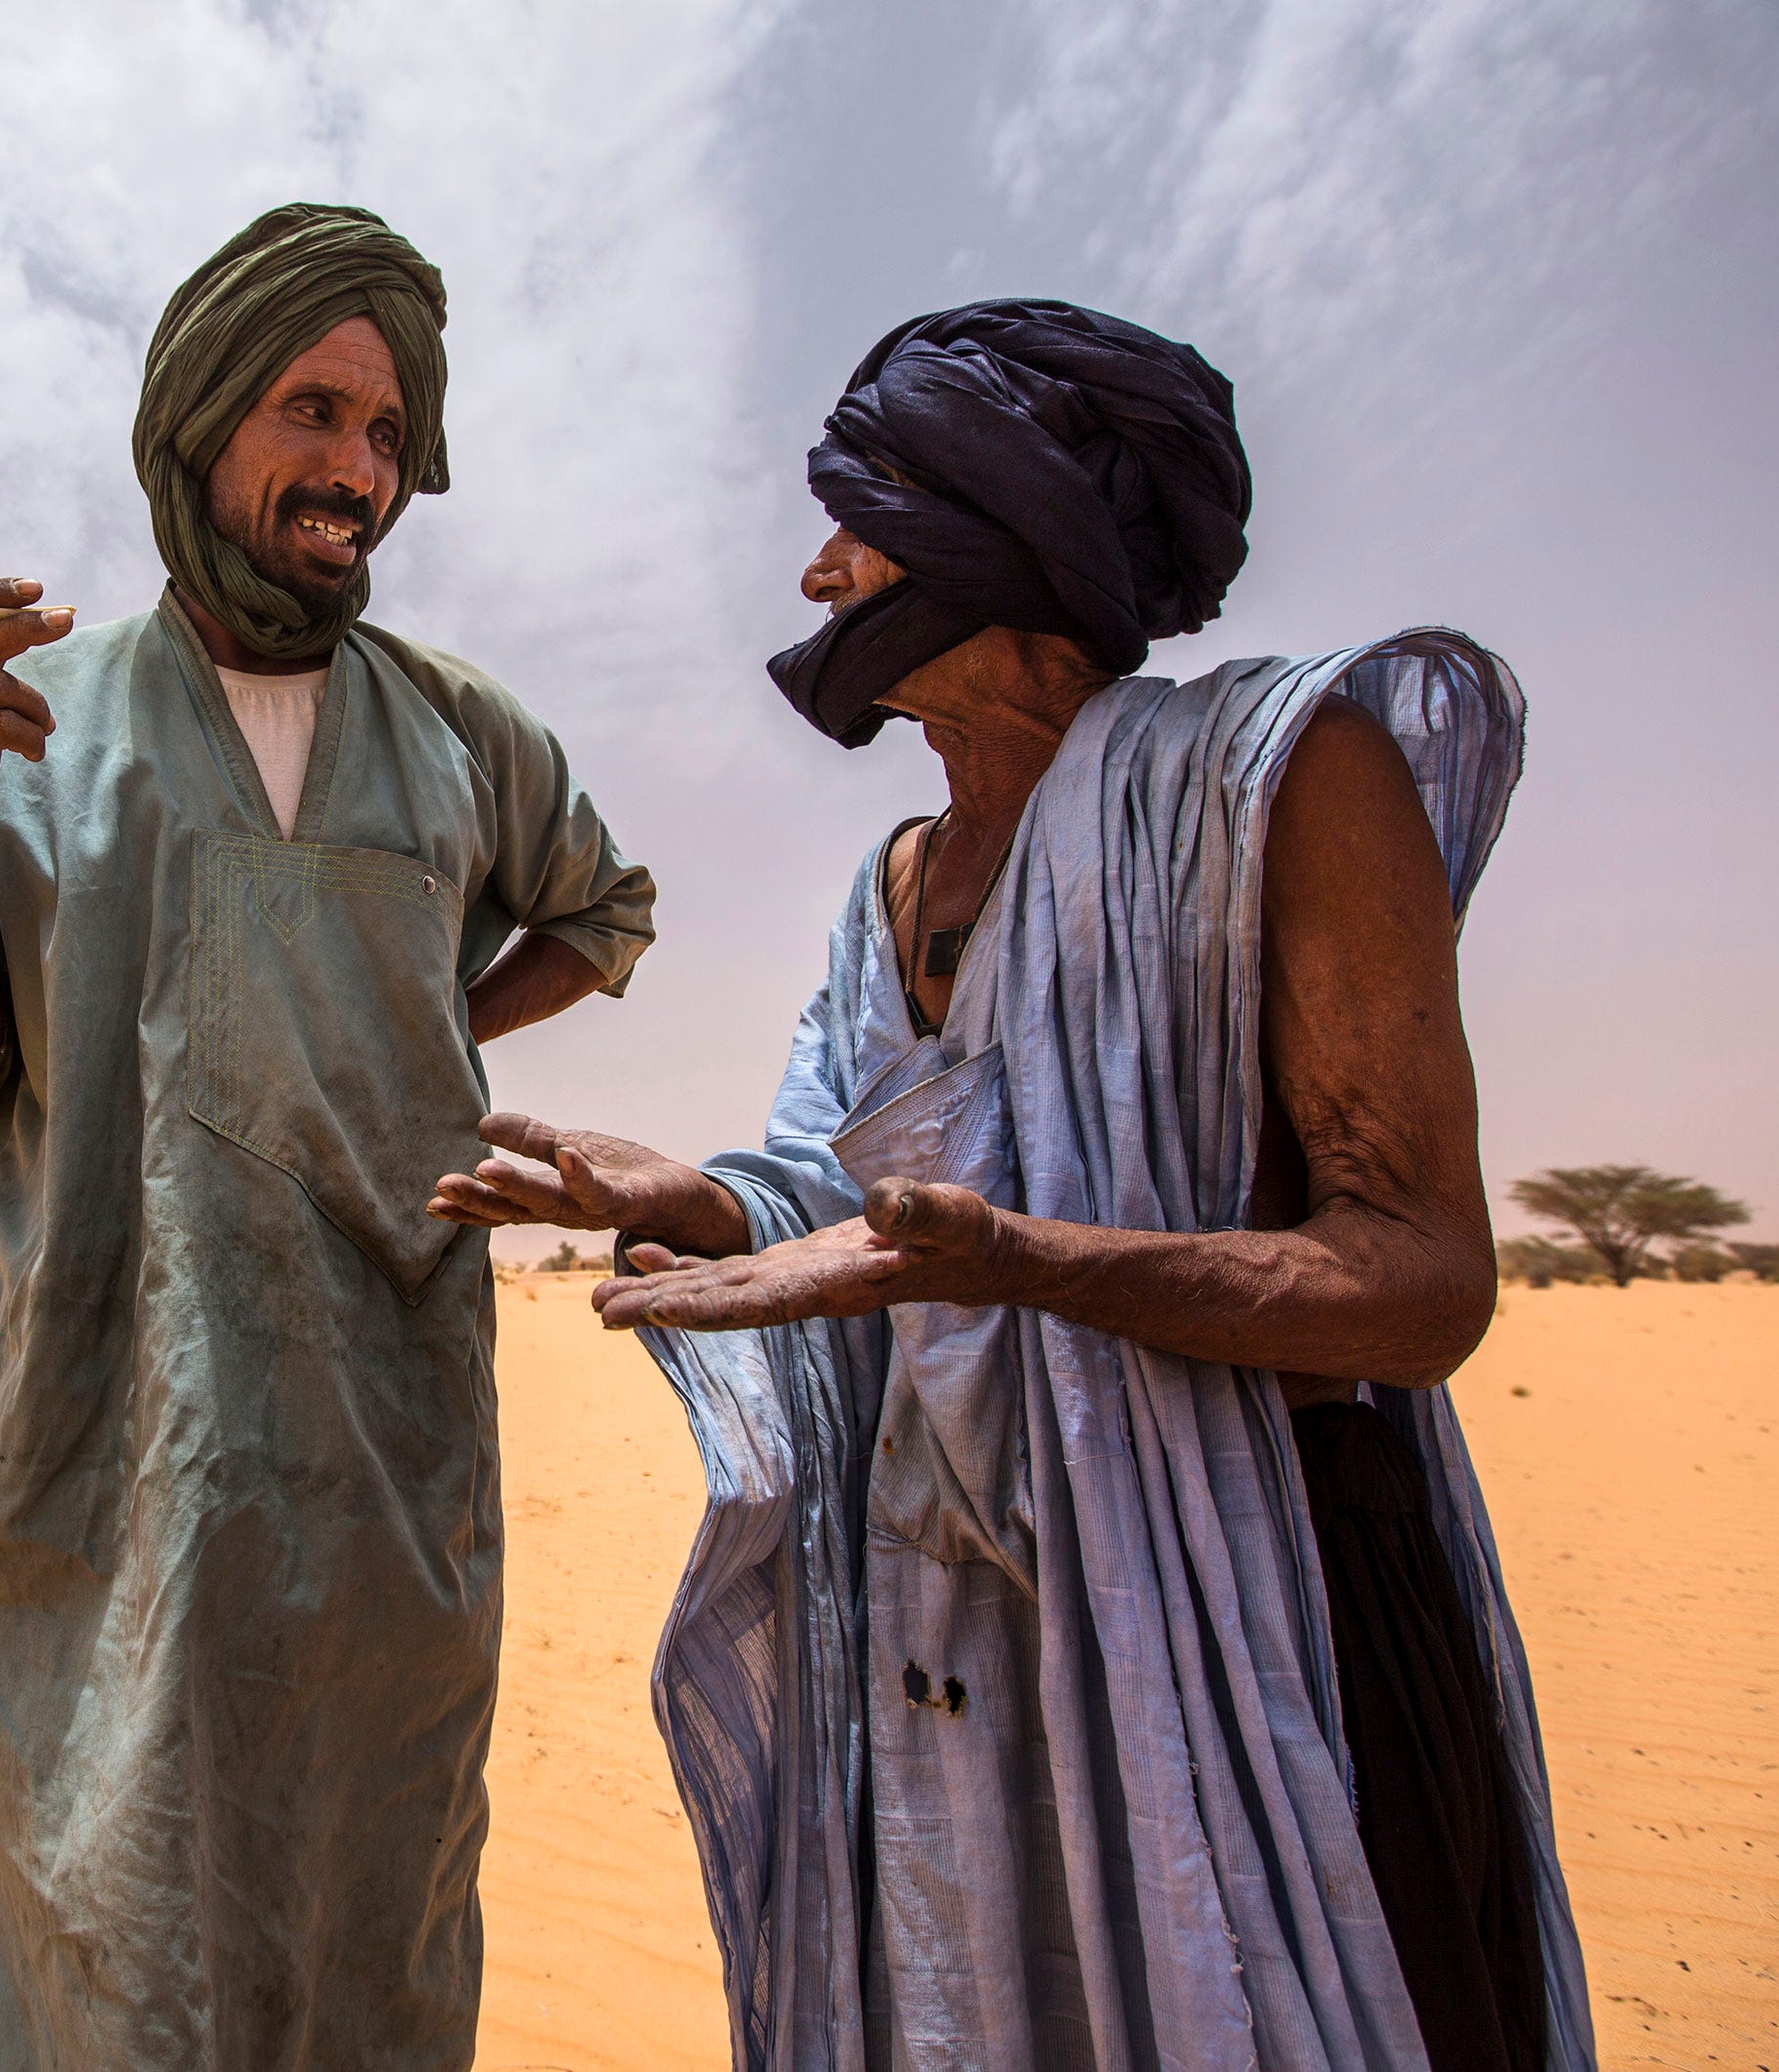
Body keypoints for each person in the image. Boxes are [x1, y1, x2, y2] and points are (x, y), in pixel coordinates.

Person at [428, 302, 1593, 2072]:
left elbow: (1420, 1278)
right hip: (960, 1653)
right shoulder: (890, 887)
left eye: (861, 516)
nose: (819, 574)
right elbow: (855, 1202)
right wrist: (701, 1197)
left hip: (1264, 1632)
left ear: (1010, 524)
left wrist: (1030, 1262)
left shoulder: (1286, 777)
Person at [0, 203, 657, 2068]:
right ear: (201, 423)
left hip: (388, 1481)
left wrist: (430, 1027)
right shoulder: (35, 719)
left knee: (371, 1917)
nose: (356, 466)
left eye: (385, 430)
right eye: (312, 410)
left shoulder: (454, 735)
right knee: (101, 1941)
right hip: (91, 1467)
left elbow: (603, 910)